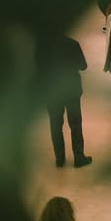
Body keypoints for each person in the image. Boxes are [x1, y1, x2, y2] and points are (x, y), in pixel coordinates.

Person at [36, 34, 91, 169]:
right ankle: (79, 157)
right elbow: (83, 66)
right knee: (75, 124)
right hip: (71, 89)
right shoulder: (72, 44)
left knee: (55, 125)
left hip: (52, 90)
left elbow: (38, 67)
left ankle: (59, 159)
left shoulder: (42, 46)